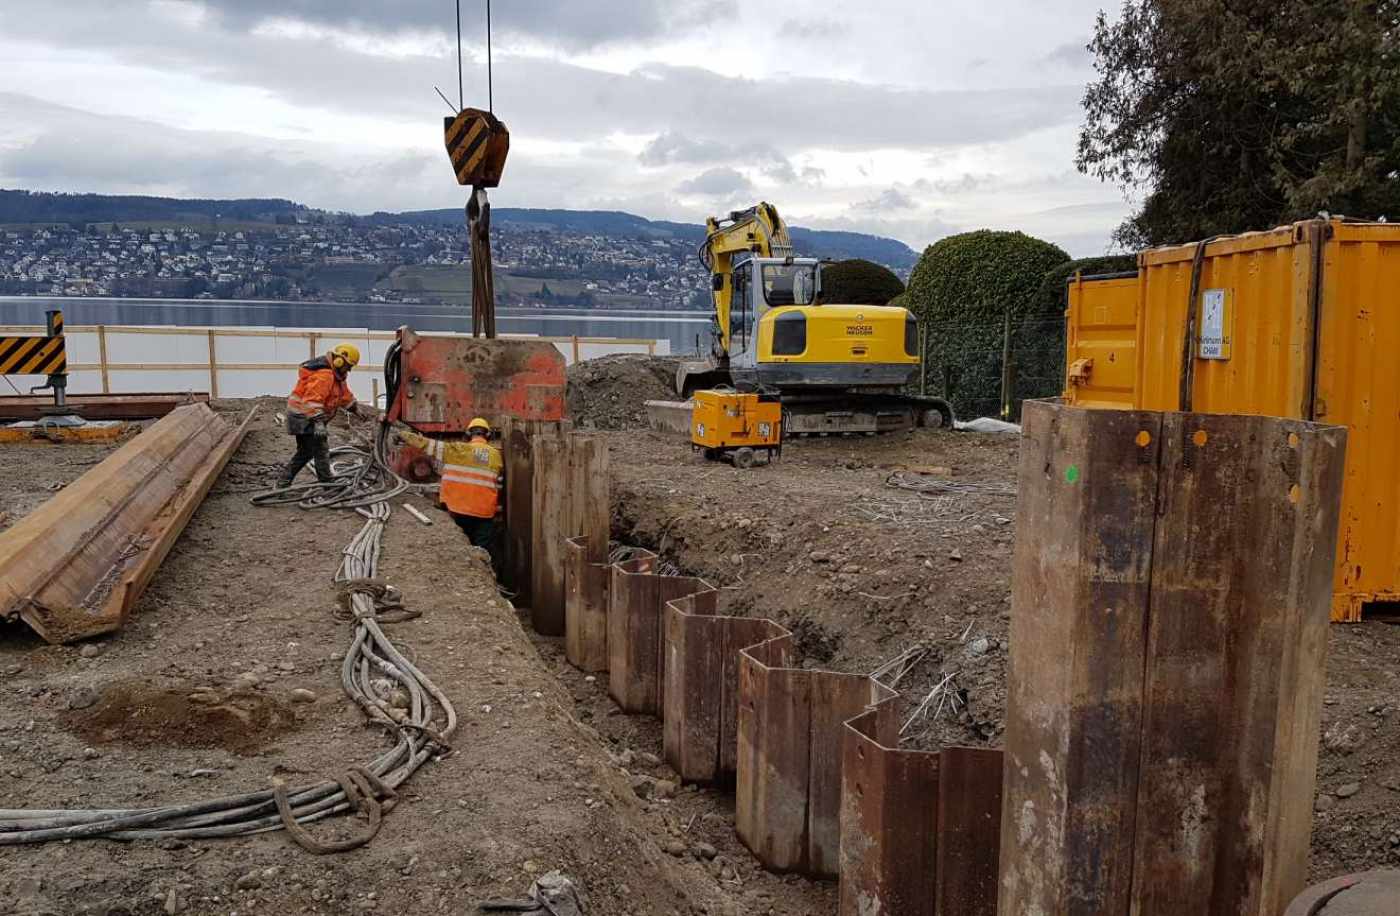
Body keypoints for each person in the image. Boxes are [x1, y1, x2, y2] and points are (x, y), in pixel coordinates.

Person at [396, 417, 505, 573]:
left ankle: (465, 574)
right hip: (484, 514)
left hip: (459, 510)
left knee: (461, 547)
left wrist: (404, 434)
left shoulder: (455, 450)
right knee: (482, 551)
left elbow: (426, 444)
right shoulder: (495, 456)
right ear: (488, 436)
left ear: (468, 435)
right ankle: (482, 574)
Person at [280, 343, 372, 488]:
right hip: (303, 417)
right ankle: (325, 484)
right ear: (339, 361)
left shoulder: (336, 375)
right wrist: (318, 424)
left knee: (309, 451)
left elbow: (343, 395)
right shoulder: (325, 376)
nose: (349, 369)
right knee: (318, 449)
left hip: (307, 415)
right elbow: (311, 401)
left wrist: (355, 409)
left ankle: (285, 482)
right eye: (348, 366)